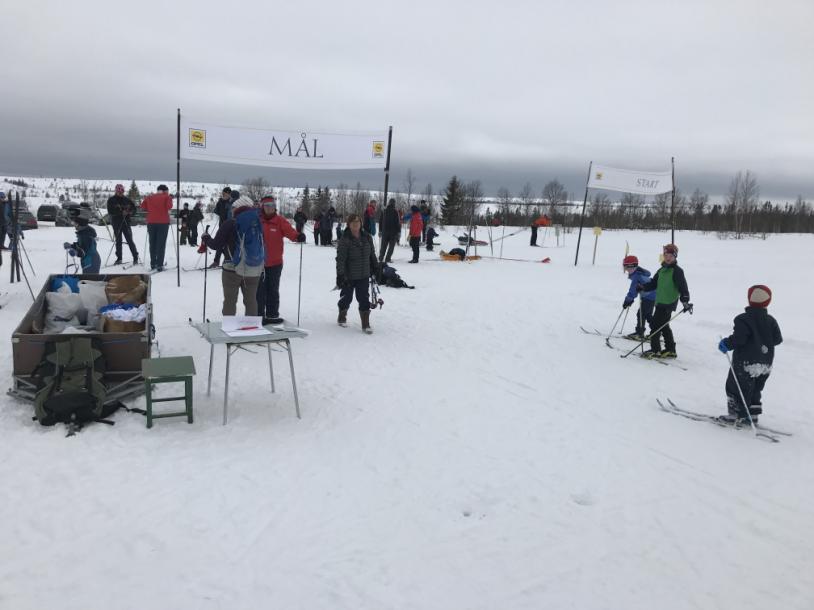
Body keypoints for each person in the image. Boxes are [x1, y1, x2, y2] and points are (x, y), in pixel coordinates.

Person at [717, 285, 782, 423]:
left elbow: (739, 339)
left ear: (749, 300)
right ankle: (752, 414)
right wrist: (763, 343)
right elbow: (777, 339)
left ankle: (737, 414)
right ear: (768, 302)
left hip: (745, 362)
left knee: (736, 387)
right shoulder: (771, 320)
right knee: (756, 388)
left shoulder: (743, 319)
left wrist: (726, 343)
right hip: (765, 364)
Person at [202, 195, 264, 316]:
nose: (231, 210)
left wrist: (206, 237)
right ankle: (251, 327)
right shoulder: (258, 223)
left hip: (231, 268)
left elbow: (216, 245)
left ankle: (229, 327)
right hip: (253, 267)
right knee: (251, 300)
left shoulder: (229, 224)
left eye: (233, 208)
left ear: (237, 208)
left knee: (230, 301)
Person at [637, 244, 692, 358]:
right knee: (664, 326)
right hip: (660, 302)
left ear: (675, 256)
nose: (668, 257)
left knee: (656, 326)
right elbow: (653, 283)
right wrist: (643, 287)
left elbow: (683, 287)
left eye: (671, 255)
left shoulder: (677, 271)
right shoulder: (661, 270)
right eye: (666, 255)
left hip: (669, 303)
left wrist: (685, 301)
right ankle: (671, 349)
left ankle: (655, 349)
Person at [255, 195, 299, 324]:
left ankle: (272, 314)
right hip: (258, 263)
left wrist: (298, 236)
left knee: (273, 289)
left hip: (275, 263)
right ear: (263, 207)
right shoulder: (257, 220)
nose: (270, 209)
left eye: (272, 206)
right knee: (259, 291)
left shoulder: (280, 220)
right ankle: (259, 316)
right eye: (267, 206)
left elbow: (290, 232)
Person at [336, 213, 378, 333]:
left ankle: (365, 323)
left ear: (361, 223)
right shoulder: (345, 240)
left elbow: (372, 254)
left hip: (364, 274)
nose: (356, 224)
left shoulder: (367, 237)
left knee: (364, 298)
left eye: (358, 222)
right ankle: (342, 315)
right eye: (353, 222)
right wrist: (340, 275)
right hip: (349, 276)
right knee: (347, 298)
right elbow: (340, 259)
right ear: (349, 224)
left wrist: (375, 266)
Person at [622, 255, 655, 340]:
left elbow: (633, 291)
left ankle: (640, 333)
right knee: (647, 315)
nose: (626, 270)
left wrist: (628, 301)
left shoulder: (637, 276)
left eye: (627, 268)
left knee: (641, 314)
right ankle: (656, 332)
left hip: (649, 296)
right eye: (625, 267)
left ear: (632, 267)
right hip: (651, 296)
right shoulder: (638, 273)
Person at [140, 184, 173, 272]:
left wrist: (151, 209)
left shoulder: (149, 197)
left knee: (152, 243)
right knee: (161, 244)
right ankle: (159, 265)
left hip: (151, 222)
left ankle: (153, 264)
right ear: (165, 191)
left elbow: (143, 207)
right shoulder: (167, 197)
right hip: (163, 223)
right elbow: (169, 207)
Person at [106, 184, 140, 265]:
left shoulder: (127, 200)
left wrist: (130, 212)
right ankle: (119, 258)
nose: (120, 193)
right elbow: (110, 211)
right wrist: (121, 212)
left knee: (130, 240)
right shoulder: (111, 200)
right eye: (119, 191)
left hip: (126, 222)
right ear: (116, 191)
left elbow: (134, 209)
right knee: (118, 241)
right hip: (116, 223)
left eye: (122, 191)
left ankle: (135, 257)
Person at [210, 187, 233, 267]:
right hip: (221, 225)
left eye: (225, 193)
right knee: (219, 243)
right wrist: (220, 203)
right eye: (223, 193)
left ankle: (227, 260)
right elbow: (216, 211)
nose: (223, 195)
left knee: (227, 244)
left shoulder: (231, 202)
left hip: (230, 226)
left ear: (229, 194)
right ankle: (216, 261)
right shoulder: (221, 202)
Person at [378, 198, 400, 263]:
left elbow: (380, 221)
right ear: (394, 203)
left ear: (389, 203)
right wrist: (398, 231)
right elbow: (397, 222)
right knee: (391, 246)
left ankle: (381, 257)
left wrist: (380, 230)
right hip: (393, 232)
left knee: (383, 245)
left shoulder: (384, 211)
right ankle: (388, 258)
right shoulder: (395, 212)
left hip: (385, 231)